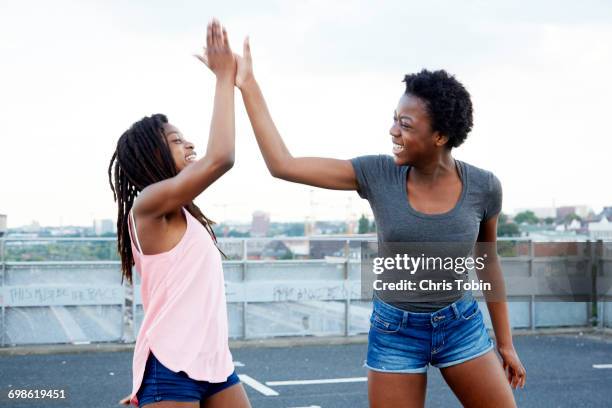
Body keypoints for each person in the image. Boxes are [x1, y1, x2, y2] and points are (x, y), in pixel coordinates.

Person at [232, 34, 526, 407]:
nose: (393, 131)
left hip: (460, 324)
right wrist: (248, 85)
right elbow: (283, 165)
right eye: (394, 120)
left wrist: (505, 344)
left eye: (405, 124)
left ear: (440, 135)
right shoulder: (377, 174)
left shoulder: (484, 187)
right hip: (395, 331)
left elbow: (488, 262)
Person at [111, 19, 251, 408]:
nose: (189, 143)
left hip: (215, 365)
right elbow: (221, 157)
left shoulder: (183, 212)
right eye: (176, 141)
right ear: (154, 155)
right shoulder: (149, 205)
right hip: (172, 370)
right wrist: (225, 78)